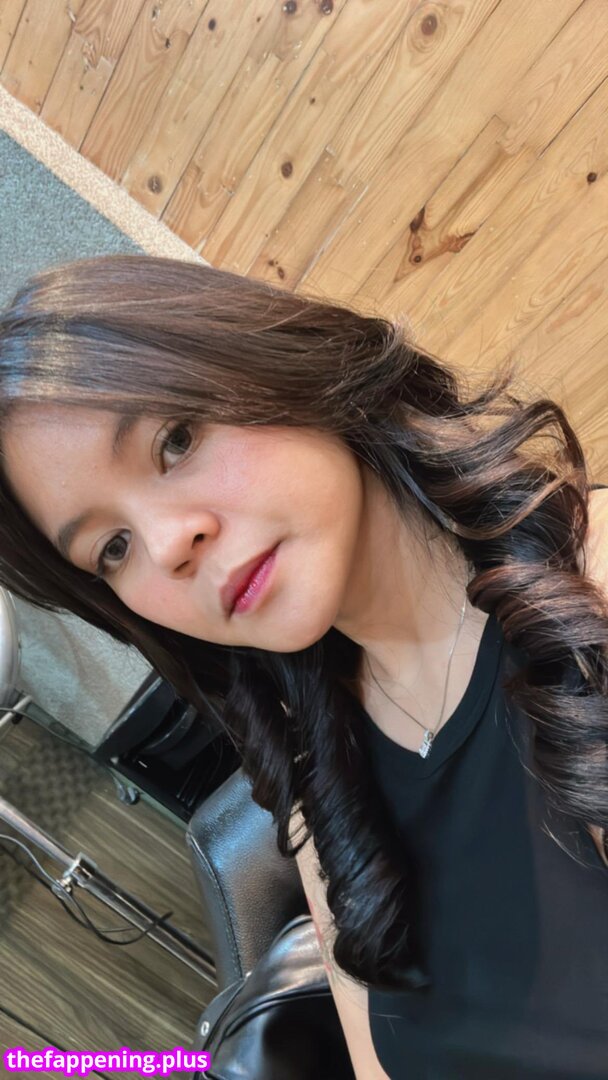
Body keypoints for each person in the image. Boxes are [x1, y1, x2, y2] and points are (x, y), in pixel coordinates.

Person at [0, 253, 606, 1079]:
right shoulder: (325, 786)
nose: (170, 544)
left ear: (269, 360)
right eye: (113, 547)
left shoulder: (589, 595)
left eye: (176, 439)